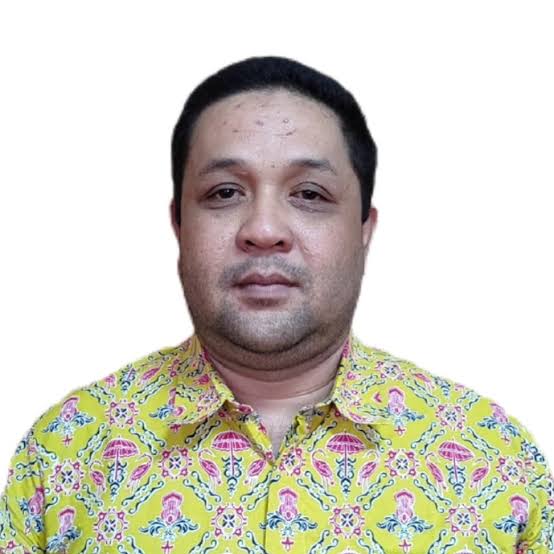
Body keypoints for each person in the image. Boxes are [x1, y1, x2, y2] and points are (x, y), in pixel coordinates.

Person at [0, 57, 552, 554]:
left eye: (310, 194)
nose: (263, 230)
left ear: (364, 229)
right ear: (179, 225)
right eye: (224, 193)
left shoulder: (497, 460)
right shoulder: (63, 454)